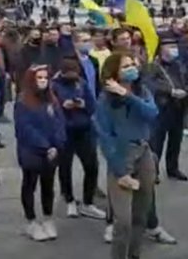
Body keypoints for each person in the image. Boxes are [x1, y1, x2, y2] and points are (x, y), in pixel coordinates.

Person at [95, 52, 158, 259]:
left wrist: (127, 95)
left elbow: (152, 113)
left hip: (144, 152)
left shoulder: (141, 91)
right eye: (125, 66)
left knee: (141, 213)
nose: (132, 68)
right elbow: (105, 137)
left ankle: (134, 255)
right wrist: (120, 171)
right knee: (123, 221)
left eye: (133, 64)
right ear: (114, 72)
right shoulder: (104, 100)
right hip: (122, 156)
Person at [14, 64, 65, 242]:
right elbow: (24, 128)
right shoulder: (23, 101)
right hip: (31, 151)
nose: (43, 81)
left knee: (48, 185)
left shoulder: (52, 99)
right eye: (39, 78)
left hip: (52, 151)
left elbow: (59, 122)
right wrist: (45, 146)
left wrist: (57, 143)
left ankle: (48, 218)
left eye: (45, 78)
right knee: (30, 184)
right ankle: (31, 221)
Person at [51, 57, 106, 219]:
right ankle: (69, 199)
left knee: (91, 166)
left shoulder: (81, 83)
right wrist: (63, 106)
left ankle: (88, 202)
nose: (73, 76)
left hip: (84, 129)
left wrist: (83, 105)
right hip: (65, 131)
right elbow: (50, 109)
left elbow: (93, 105)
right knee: (65, 167)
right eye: (69, 74)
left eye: (74, 73)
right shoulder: (54, 86)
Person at [145, 36, 188, 181]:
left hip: (179, 107)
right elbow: (151, 84)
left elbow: (185, 80)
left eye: (174, 46)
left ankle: (173, 168)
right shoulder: (153, 66)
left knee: (176, 140)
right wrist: (170, 91)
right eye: (169, 46)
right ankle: (153, 171)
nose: (173, 49)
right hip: (162, 108)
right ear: (161, 49)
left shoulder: (179, 65)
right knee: (156, 141)